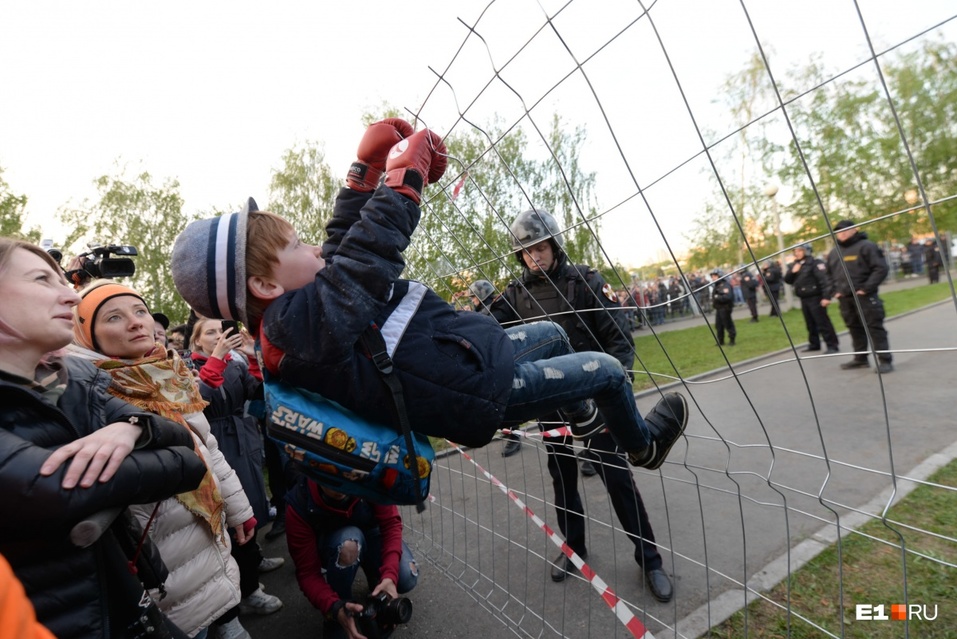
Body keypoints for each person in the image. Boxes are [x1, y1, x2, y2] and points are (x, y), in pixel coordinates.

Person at [170, 118, 688, 473]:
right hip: (475, 392)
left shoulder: (307, 313)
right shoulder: (296, 329)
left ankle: (581, 414)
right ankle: (641, 447)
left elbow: (343, 246)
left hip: (468, 363)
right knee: (609, 372)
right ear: (265, 286)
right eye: (297, 245)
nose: (315, 247)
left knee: (553, 333)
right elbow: (364, 257)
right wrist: (401, 183)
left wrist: (363, 174)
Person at [0, 237, 207, 639]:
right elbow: (54, 488)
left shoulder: (76, 381)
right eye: (43, 279)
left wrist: (131, 429)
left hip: (129, 603)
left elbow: (189, 458)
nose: (70, 297)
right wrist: (148, 439)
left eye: (64, 281)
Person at [489, 208, 675, 601]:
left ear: (554, 244)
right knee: (562, 478)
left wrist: (616, 392)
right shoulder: (515, 294)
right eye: (525, 252)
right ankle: (574, 550)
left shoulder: (585, 281)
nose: (533, 257)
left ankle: (650, 559)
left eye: (539, 248)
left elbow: (620, 340)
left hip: (594, 401)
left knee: (617, 479)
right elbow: (485, 328)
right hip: (549, 402)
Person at [69, 280, 257, 639]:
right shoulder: (86, 395)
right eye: (114, 317)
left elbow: (207, 447)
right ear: (85, 333)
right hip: (161, 563)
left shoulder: (169, 375)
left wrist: (238, 507)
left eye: (139, 311)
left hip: (206, 535)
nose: (137, 322)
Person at [188, 318, 286, 630]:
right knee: (232, 513)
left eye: (222, 330)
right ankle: (247, 591)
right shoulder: (189, 365)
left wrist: (256, 357)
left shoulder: (236, 363)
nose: (220, 336)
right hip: (217, 441)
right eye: (211, 333)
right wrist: (216, 356)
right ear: (197, 341)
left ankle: (253, 560)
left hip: (244, 437)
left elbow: (257, 394)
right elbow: (198, 400)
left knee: (253, 504)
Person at [285, 476, 418, 639]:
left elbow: (391, 524)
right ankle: (339, 610)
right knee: (349, 544)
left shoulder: (371, 478)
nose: (340, 488)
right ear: (314, 472)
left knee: (407, 577)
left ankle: (376, 579)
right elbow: (308, 574)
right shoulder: (299, 503)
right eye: (331, 480)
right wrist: (333, 607)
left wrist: (390, 575)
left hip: (371, 533)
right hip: (338, 544)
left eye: (346, 476)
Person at [824, 220, 893, 374]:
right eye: (838, 231)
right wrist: (834, 291)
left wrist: (866, 288)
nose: (841, 233)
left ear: (855, 230)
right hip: (845, 298)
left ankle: (885, 360)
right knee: (854, 328)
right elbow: (828, 275)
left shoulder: (867, 246)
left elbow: (880, 268)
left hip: (865, 297)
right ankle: (860, 359)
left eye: (845, 230)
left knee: (874, 328)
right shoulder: (834, 252)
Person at [783, 244, 839, 354]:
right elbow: (787, 280)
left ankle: (832, 345)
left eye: (800, 251)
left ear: (807, 251)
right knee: (810, 323)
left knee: (822, 322)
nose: (797, 253)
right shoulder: (796, 264)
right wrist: (792, 272)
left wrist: (826, 297)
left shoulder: (815, 263)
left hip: (816, 297)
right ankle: (814, 344)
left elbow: (824, 280)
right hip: (804, 298)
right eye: (795, 251)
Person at [711, 269, 736, 347]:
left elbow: (728, 297)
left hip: (725, 308)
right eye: (712, 276)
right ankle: (720, 340)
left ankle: (732, 339)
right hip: (719, 308)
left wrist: (717, 297)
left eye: (715, 276)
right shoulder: (717, 285)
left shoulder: (725, 285)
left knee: (728, 324)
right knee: (718, 325)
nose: (713, 278)